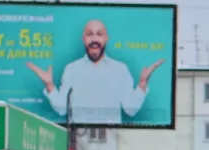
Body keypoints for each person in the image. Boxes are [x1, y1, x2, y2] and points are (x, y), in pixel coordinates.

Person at [26, 18, 165, 125]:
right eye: (89, 34)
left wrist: (142, 85)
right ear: (83, 39)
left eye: (99, 34)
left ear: (106, 39)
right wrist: (49, 85)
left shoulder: (120, 69)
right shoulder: (71, 69)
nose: (94, 39)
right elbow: (62, 109)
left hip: (110, 140)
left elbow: (131, 109)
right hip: (79, 143)